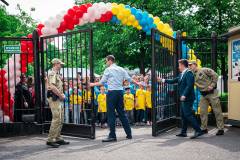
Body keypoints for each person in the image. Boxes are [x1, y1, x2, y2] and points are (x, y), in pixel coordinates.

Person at [90, 55, 139, 142]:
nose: (106, 63)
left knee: (111, 114)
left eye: (106, 61)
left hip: (112, 93)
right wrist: (138, 83)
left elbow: (102, 81)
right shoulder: (121, 69)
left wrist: (92, 84)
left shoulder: (108, 69)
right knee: (122, 114)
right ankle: (129, 134)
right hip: (120, 92)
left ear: (110, 61)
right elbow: (129, 79)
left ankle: (112, 136)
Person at [158, 59, 203, 139]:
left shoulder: (189, 73)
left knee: (188, 114)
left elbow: (189, 86)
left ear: (182, 65)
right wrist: (162, 80)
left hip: (187, 98)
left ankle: (198, 130)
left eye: (179, 65)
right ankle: (183, 132)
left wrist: (184, 95)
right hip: (184, 98)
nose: (178, 67)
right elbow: (173, 81)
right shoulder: (182, 74)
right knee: (183, 115)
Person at [189, 60, 224, 135]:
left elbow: (215, 75)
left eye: (191, 65)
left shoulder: (204, 70)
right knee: (202, 112)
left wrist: (212, 85)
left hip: (212, 93)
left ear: (195, 65)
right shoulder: (191, 75)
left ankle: (221, 129)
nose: (190, 66)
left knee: (217, 111)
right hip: (203, 94)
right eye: (189, 65)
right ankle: (204, 128)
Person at [46, 58, 69, 148]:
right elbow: (52, 86)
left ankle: (58, 137)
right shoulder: (52, 74)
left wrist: (61, 94)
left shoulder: (56, 74)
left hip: (57, 98)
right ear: (55, 64)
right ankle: (50, 139)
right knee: (56, 118)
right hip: (54, 98)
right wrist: (60, 95)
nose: (61, 65)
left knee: (60, 118)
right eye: (60, 64)